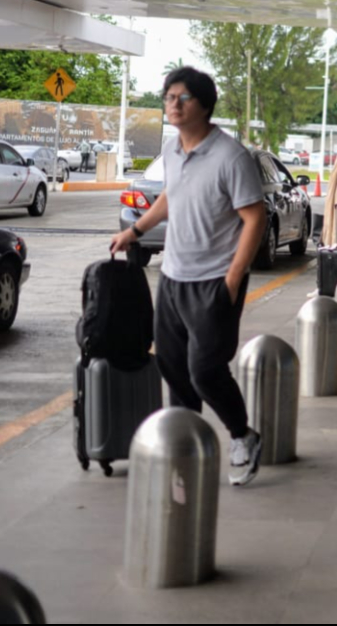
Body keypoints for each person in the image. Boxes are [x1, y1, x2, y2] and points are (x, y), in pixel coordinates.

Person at [110, 66, 266, 487]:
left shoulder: (230, 156)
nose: (173, 105)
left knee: (205, 370)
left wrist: (233, 279)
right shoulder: (173, 150)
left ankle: (243, 436)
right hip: (173, 279)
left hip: (214, 280)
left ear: (205, 105)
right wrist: (136, 230)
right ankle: (185, 450)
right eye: (168, 97)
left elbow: (255, 218)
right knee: (174, 370)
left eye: (183, 98)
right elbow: (169, 195)